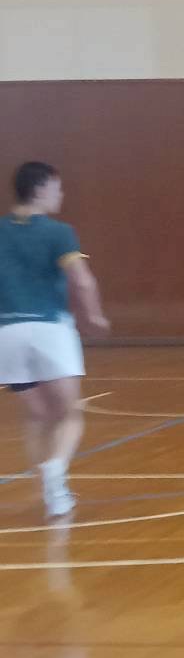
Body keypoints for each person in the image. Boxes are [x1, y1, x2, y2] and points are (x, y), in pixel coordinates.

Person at [0, 162, 110, 516]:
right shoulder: (59, 232)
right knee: (70, 415)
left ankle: (50, 493)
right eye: (58, 187)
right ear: (41, 187)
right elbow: (82, 280)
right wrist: (94, 316)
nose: (61, 195)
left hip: (7, 333)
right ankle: (56, 471)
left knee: (37, 415)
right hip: (50, 329)